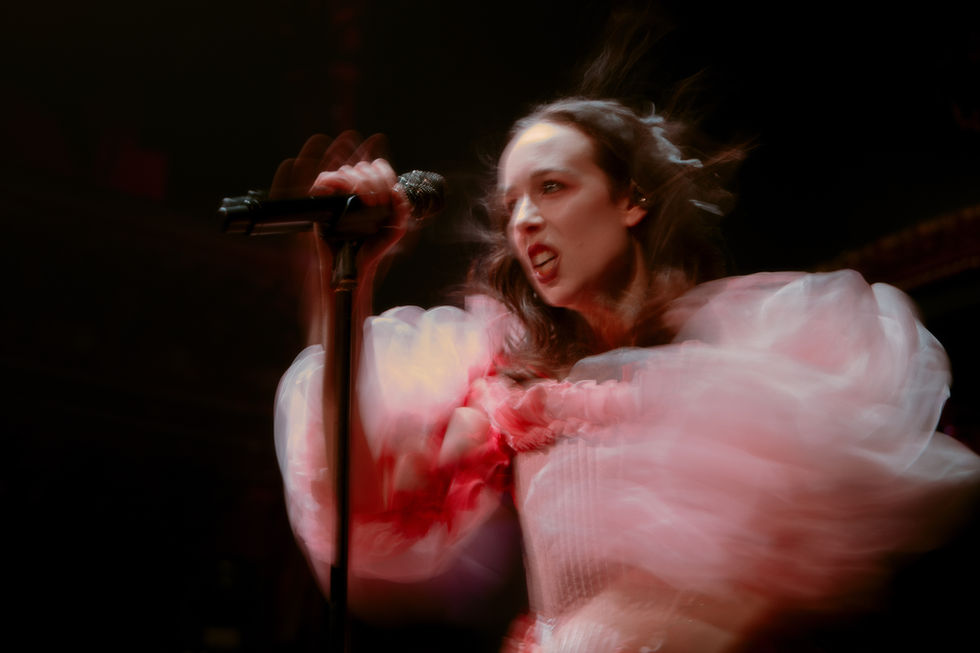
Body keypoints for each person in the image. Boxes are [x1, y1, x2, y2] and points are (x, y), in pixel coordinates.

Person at [273, 98, 980, 652]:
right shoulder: (516, 394)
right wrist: (348, 288)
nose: (524, 221)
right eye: (512, 204)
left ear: (631, 199)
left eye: (552, 187)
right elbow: (360, 493)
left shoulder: (751, 369)